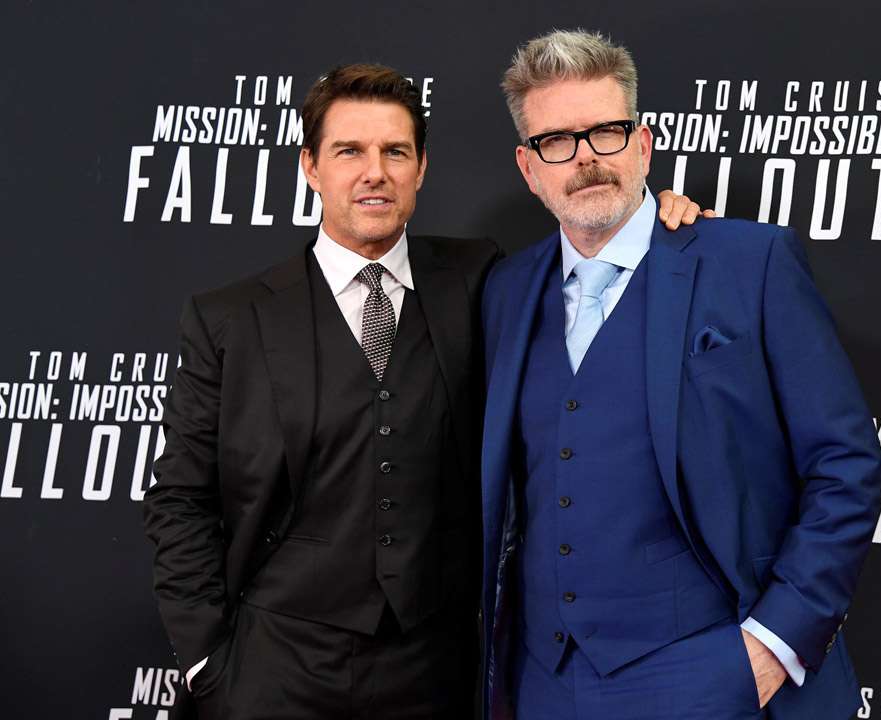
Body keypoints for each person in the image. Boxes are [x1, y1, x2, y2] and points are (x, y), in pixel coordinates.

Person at [142, 63, 704, 720]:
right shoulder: (231, 320)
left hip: (436, 673)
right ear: (311, 167)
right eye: (349, 151)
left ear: (421, 168)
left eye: (395, 152)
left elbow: (597, 253)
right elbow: (180, 498)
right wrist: (208, 662)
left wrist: (663, 220)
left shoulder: (481, 278)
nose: (374, 172)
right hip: (275, 668)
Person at [479, 30, 881, 720]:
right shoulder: (505, 290)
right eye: (557, 142)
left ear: (642, 144)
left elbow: (844, 463)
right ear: (528, 167)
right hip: (544, 681)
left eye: (606, 132)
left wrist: (775, 643)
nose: (585, 158)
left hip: (710, 672)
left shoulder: (749, 263)